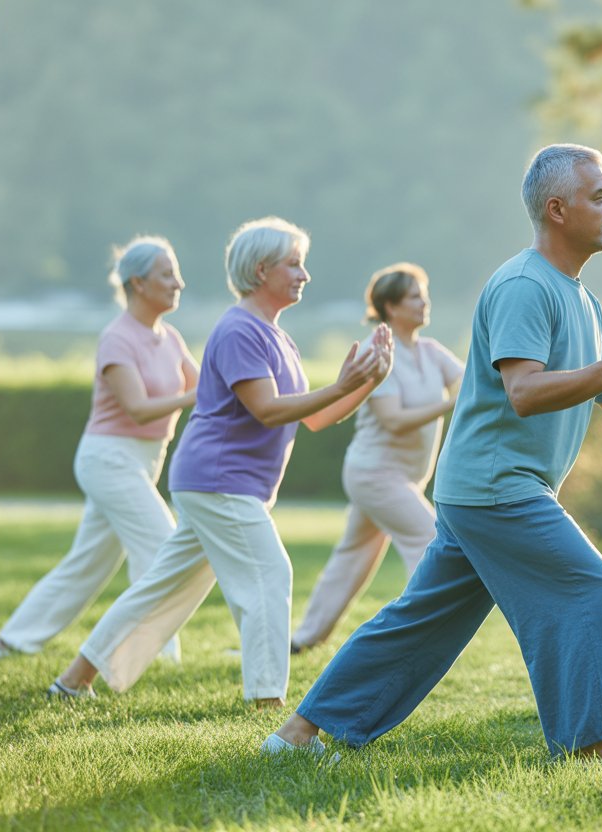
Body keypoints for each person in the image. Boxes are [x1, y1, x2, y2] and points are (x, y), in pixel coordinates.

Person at [265, 144, 602, 765]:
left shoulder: (581, 298)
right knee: (589, 586)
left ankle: (297, 734)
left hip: (487, 489)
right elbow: (523, 392)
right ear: (557, 208)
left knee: (423, 621)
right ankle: (587, 754)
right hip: (498, 486)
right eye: (599, 196)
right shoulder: (524, 286)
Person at [46, 216, 392, 706]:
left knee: (162, 588)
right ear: (260, 269)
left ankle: (73, 680)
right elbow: (268, 411)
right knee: (270, 574)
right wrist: (340, 384)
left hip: (222, 482)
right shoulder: (238, 331)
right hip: (219, 480)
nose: (304, 274)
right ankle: (267, 700)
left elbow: (314, 418)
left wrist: (366, 382)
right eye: (293, 264)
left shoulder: (278, 337)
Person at [0, 236, 198, 662]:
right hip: (109, 459)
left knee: (86, 566)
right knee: (163, 545)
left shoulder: (170, 337)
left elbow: (203, 385)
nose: (178, 282)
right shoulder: (118, 338)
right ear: (138, 283)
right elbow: (138, 408)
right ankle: (156, 657)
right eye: (167, 274)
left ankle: (11, 641)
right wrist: (199, 396)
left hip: (141, 461)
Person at [291, 263, 464, 652]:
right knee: (431, 540)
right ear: (389, 306)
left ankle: (304, 638)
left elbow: (469, 382)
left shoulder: (431, 352)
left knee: (352, 558)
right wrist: (450, 403)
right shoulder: (377, 350)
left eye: (424, 294)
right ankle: (423, 633)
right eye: (414, 296)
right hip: (374, 474)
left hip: (401, 478)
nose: (424, 302)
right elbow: (394, 420)